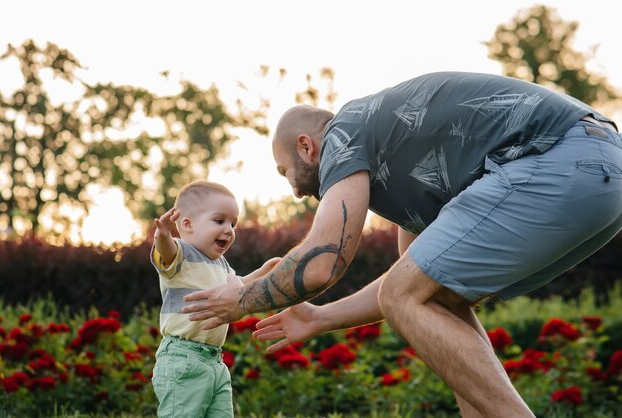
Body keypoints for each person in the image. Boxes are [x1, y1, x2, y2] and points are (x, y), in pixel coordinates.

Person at [181, 71, 622, 417]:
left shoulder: (345, 133)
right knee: (438, 298)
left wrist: (241, 299)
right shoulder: (406, 178)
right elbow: (408, 289)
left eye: (285, 172)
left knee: (412, 294)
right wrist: (319, 318)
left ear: (306, 146)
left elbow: (322, 263)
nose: (295, 191)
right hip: (601, 174)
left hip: (557, 156)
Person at [150, 180, 279, 418]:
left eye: (233, 223)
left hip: (214, 362)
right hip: (183, 358)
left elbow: (238, 288)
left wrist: (265, 272)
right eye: (219, 221)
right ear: (187, 224)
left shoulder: (221, 264)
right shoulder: (181, 253)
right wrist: (163, 236)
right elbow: (166, 252)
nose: (229, 229)